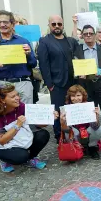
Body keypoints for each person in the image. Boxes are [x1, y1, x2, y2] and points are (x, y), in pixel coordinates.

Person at [0, 84, 55, 173]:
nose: (17, 98)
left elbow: (37, 124)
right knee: (21, 156)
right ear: (2, 100)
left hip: (19, 138)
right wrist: (17, 125)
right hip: (0, 146)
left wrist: (50, 118)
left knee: (43, 134)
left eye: (17, 95)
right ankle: (5, 159)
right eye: (13, 97)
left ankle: (30, 159)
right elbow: (1, 141)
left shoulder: (20, 106)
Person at [38, 15, 79, 143]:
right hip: (56, 83)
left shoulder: (70, 41)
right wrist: (49, 84)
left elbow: (78, 58)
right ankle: (58, 136)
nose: (57, 26)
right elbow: (43, 64)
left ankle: (72, 132)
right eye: (54, 24)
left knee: (71, 108)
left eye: (59, 24)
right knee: (57, 110)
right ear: (49, 25)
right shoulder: (45, 41)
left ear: (63, 25)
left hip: (72, 81)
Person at [0, 10, 37, 104]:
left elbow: (33, 64)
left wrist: (28, 55)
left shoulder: (23, 41)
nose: (2, 25)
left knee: (26, 114)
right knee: (4, 114)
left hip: (23, 83)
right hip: (3, 83)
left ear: (12, 24)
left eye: (5, 22)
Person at [73, 24, 101, 124]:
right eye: (85, 34)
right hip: (85, 84)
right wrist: (78, 74)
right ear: (82, 35)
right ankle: (87, 132)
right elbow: (74, 66)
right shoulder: (77, 50)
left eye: (91, 33)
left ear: (95, 35)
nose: (88, 35)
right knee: (88, 110)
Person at [60, 85, 101, 160]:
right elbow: (65, 130)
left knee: (98, 129)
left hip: (88, 133)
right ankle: (75, 148)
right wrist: (62, 122)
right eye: (73, 96)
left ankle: (92, 147)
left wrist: (96, 117)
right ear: (69, 97)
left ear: (83, 96)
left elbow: (95, 126)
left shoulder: (89, 107)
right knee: (71, 132)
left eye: (78, 95)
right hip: (75, 135)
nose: (76, 98)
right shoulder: (66, 109)